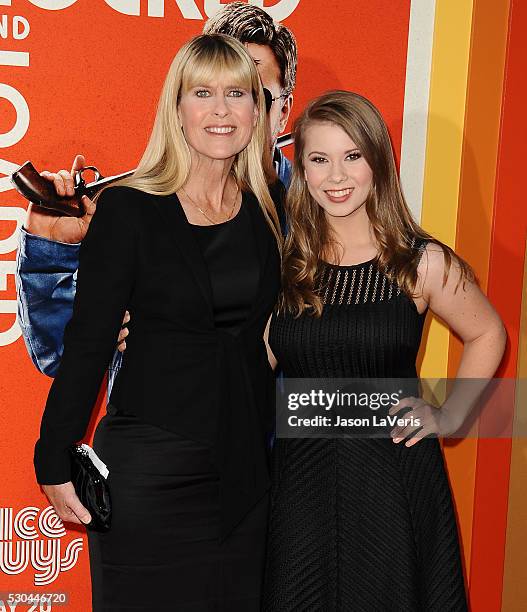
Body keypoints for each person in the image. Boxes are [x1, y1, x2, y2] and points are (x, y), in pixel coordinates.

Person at [34, 34, 283, 611]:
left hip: (242, 479)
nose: (222, 111)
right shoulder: (129, 208)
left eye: (238, 94)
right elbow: (89, 340)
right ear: (177, 108)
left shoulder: (269, 212)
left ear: (258, 110)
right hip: (148, 474)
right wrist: (53, 454)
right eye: (203, 93)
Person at [262, 91, 506, 611]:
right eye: (319, 159)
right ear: (300, 167)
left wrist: (451, 415)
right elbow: (251, 360)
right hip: (300, 484)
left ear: (378, 161)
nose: (336, 176)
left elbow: (489, 333)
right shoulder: (284, 264)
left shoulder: (419, 263)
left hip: (392, 483)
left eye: (353, 156)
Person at [15, 2, 296, 387]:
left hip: (256, 442)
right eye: (206, 90)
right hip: (150, 438)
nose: (226, 112)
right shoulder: (139, 206)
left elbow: (355, 361)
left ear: (283, 111)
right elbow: (63, 357)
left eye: (249, 93)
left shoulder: (318, 214)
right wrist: (53, 256)